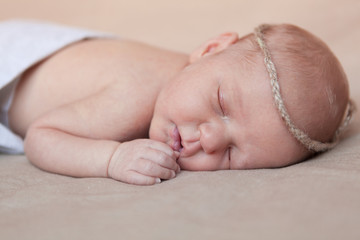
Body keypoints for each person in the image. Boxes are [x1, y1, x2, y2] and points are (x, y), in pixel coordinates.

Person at [0, 20, 354, 185]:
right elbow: (41, 136)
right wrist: (111, 158)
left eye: (231, 154)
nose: (211, 140)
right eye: (221, 104)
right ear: (209, 50)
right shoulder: (135, 95)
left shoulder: (185, 84)